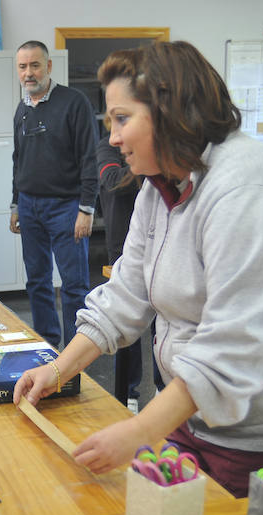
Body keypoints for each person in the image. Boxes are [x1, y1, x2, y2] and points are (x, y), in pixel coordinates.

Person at [13, 41, 263, 498]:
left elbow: (232, 347)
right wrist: (57, 371)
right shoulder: (157, 185)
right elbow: (126, 295)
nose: (113, 138)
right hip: (198, 408)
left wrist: (140, 430)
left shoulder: (251, 192)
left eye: (122, 119)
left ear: (169, 111)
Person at [9, 40, 99, 348]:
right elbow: (18, 160)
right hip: (30, 205)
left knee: (74, 286)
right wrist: (15, 204)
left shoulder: (74, 102)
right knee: (37, 281)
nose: (28, 73)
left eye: (35, 65)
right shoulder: (22, 109)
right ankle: (47, 344)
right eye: (22, 67)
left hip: (67, 207)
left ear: (48, 66)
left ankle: (76, 353)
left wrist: (86, 209)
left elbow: (90, 157)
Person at [97, 120, 144, 404]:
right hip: (122, 246)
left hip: (158, 245)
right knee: (129, 325)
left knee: (162, 326)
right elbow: (112, 181)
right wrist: (151, 170)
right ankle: (130, 396)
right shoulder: (107, 147)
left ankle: (164, 390)